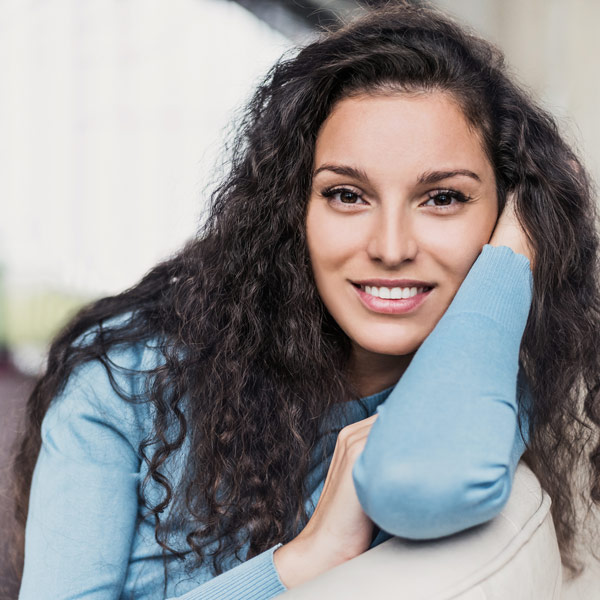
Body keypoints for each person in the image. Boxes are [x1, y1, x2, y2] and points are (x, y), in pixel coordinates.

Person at [11, 3, 600, 599]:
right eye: (347, 195)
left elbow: (423, 481)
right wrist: (306, 558)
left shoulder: (484, 365)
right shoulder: (127, 379)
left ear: (498, 215)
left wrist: (531, 231)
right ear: (291, 212)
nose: (391, 247)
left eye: (443, 198)